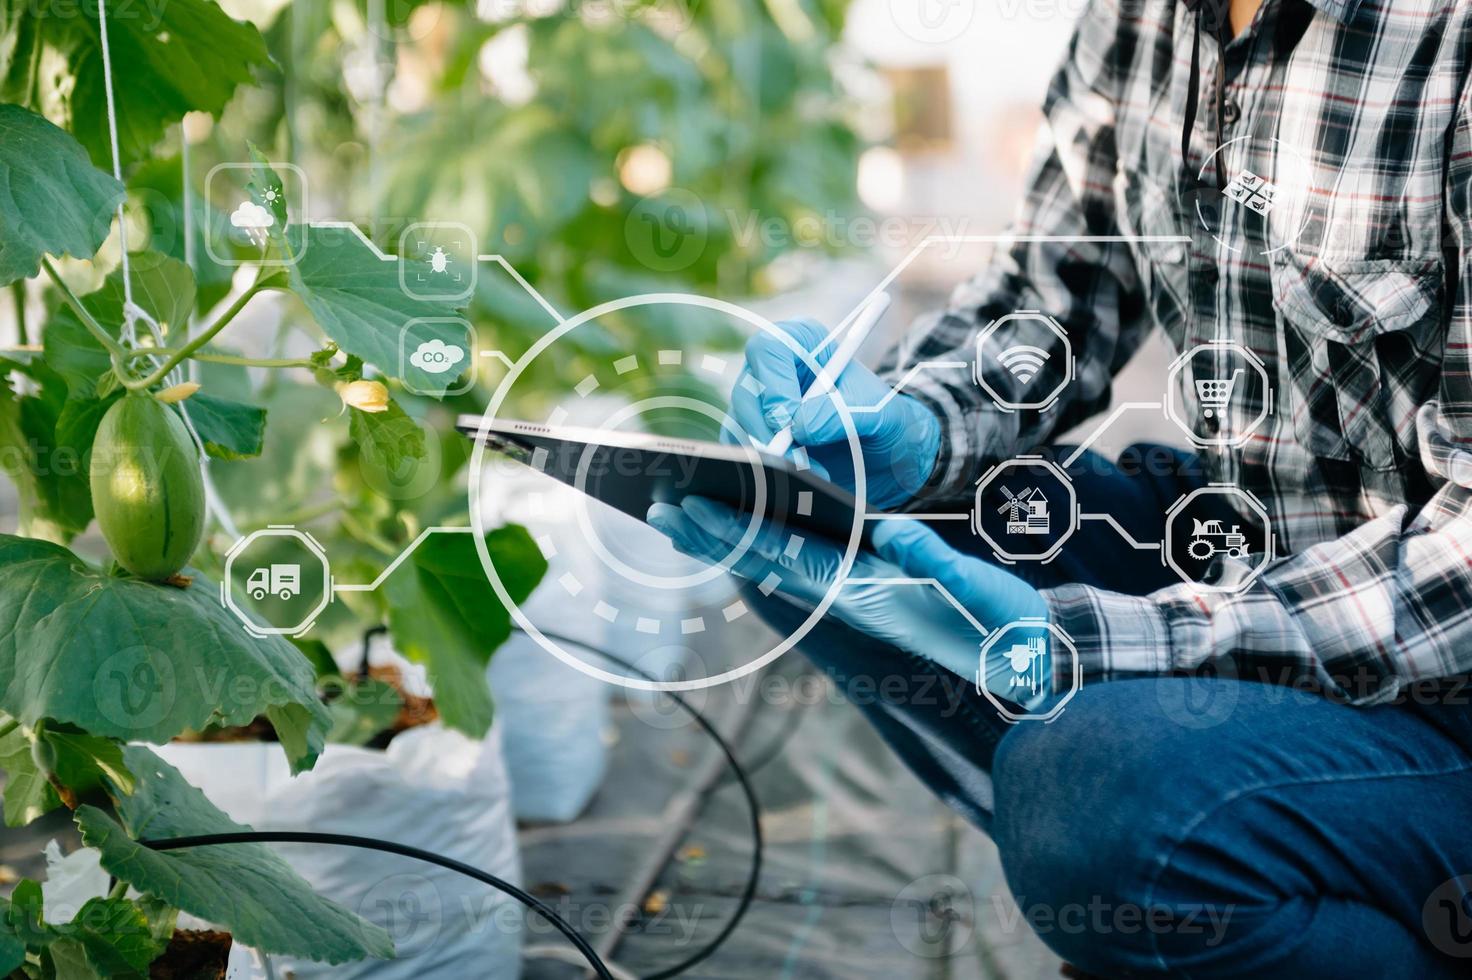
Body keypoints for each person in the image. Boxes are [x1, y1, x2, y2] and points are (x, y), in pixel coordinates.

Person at [647, 0, 1472, 974]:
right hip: (1258, 555)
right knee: (796, 524)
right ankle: (1188, 901)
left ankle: (1248, 883)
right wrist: (910, 430)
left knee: (1098, 792)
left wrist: (1089, 645)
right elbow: (1050, 296)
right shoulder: (1145, 17)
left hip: (1444, 677)